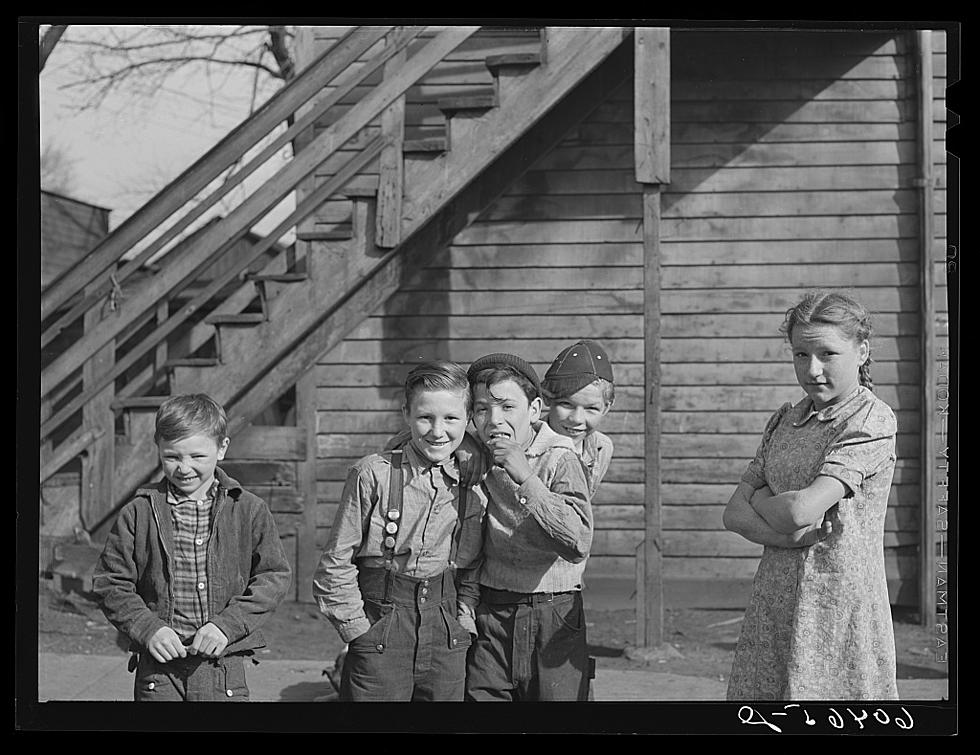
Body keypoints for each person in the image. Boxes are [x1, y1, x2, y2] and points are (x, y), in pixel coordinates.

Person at [722, 291, 899, 701]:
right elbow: (732, 514)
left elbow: (803, 510)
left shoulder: (870, 419)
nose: (812, 369)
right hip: (774, 603)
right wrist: (785, 533)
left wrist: (765, 500)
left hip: (838, 608)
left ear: (862, 352)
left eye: (827, 354)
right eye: (801, 354)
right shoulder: (786, 419)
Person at [93, 393, 292, 702]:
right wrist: (147, 629)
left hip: (222, 667)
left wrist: (227, 627)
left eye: (197, 456)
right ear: (158, 447)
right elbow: (110, 582)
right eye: (172, 456)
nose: (184, 468)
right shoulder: (138, 512)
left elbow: (273, 577)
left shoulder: (249, 509)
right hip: (158, 673)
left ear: (222, 448)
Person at [312, 360, 487, 702]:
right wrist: (357, 631)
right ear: (406, 414)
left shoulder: (473, 484)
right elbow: (335, 563)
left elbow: (472, 566)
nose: (438, 431)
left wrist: (463, 620)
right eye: (425, 417)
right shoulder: (372, 474)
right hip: (382, 627)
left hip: (445, 631)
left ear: (468, 421)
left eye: (451, 418)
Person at [464, 352, 594, 702]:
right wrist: (464, 443)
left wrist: (524, 476)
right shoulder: (476, 449)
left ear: (535, 410)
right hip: (492, 608)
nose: (494, 420)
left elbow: (577, 540)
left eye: (508, 407)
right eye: (481, 410)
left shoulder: (560, 457)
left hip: (554, 610)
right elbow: (411, 437)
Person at [541, 339, 615, 498]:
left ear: (606, 408)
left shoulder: (600, 448)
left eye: (591, 408)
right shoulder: (525, 444)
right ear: (547, 398)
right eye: (566, 404)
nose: (577, 419)